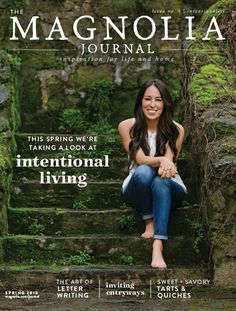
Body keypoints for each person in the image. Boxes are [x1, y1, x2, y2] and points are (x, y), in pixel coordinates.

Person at [118, 79, 187, 269]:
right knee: (144, 173)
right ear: (140, 101)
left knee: (161, 181)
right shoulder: (127, 127)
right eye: (147, 99)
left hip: (170, 186)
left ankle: (158, 245)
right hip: (137, 184)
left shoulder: (177, 130)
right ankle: (149, 219)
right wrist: (162, 160)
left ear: (165, 103)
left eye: (158, 99)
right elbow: (139, 158)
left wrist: (166, 162)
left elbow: (168, 167)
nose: (152, 105)